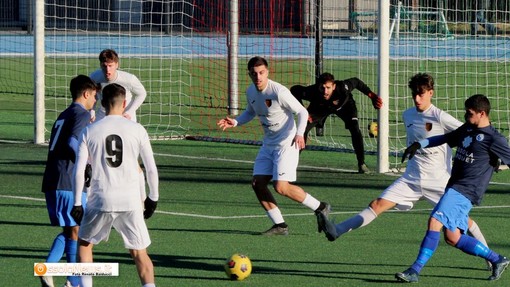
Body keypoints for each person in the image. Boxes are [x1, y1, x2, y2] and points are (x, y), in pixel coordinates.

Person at [316, 73, 490, 267]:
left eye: (421, 94)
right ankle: (336, 230)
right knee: (377, 204)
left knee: (462, 223)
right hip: (411, 178)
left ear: (430, 93)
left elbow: (470, 132)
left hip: (439, 181)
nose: (417, 99)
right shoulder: (407, 114)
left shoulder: (440, 117)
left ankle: (491, 258)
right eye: (414, 94)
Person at [395, 94, 510, 283]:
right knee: (452, 237)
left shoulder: (495, 139)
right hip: (455, 186)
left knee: (434, 221)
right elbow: (446, 137)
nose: (466, 115)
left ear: (482, 113)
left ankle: (414, 270)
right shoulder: (468, 128)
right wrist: (419, 144)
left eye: (469, 113)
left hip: (466, 189)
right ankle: (497, 259)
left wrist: (495, 159)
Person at [217, 56, 330, 236]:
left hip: (287, 143)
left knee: (281, 187)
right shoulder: (251, 92)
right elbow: (250, 112)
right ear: (249, 74)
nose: (258, 77)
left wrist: (300, 133)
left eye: (261, 73)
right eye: (254, 74)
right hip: (269, 144)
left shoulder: (279, 91)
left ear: (267, 72)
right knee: (258, 183)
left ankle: (320, 207)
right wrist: (236, 122)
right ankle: (280, 225)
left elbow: (302, 111)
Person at [70, 83, 159, 287]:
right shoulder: (137, 129)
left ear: (102, 104)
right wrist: (153, 198)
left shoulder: (89, 131)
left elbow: (79, 170)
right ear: (125, 103)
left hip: (100, 200)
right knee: (139, 253)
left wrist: (77, 202)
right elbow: (151, 168)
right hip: (130, 201)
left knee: (84, 245)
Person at [40, 75, 97, 287]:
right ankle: (72, 281)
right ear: (85, 94)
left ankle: (54, 273)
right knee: (78, 231)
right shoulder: (81, 114)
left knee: (70, 230)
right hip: (67, 181)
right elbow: (74, 142)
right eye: (93, 96)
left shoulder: (64, 114)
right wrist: (87, 164)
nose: (95, 101)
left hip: (53, 180)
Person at [290, 72, 382, 173]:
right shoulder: (312, 91)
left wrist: (372, 96)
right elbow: (294, 90)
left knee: (355, 129)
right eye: (322, 87)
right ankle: (292, 163)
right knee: (303, 129)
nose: (325, 91)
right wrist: (304, 111)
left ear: (334, 86)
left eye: (328, 87)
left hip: (345, 107)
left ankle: (361, 164)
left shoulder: (343, 87)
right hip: (321, 108)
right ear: (318, 86)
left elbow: (356, 82)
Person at [89, 48, 147, 122]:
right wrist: (92, 110)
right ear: (100, 65)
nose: (107, 70)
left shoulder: (129, 79)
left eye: (110, 66)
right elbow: (93, 95)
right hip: (104, 113)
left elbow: (142, 94)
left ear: (117, 65)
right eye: (104, 66)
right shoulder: (94, 77)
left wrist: (130, 112)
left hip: (125, 115)